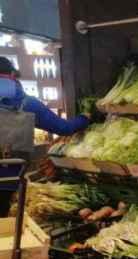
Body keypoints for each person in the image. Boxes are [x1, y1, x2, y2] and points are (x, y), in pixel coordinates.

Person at [0, 56, 90, 216]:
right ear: (13, 75)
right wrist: (85, 117)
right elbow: (64, 128)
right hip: (7, 179)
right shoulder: (27, 103)